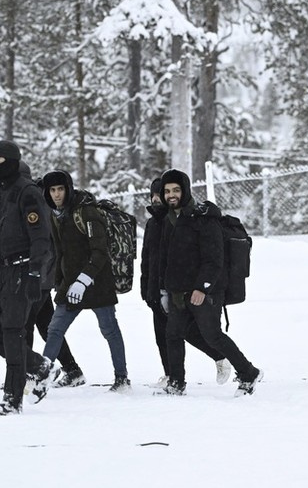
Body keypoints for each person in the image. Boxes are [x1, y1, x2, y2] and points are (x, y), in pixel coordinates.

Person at [0, 168, 86, 389]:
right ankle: (71, 370)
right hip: (39, 276)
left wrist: (40, 275)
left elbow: (44, 243)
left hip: (36, 275)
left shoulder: (32, 198)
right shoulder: (16, 198)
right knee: (45, 325)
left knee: (22, 325)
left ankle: (27, 373)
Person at [156, 169, 262, 397]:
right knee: (173, 335)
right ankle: (176, 383)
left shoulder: (203, 218)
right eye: (167, 191)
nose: (171, 195)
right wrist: (164, 290)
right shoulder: (169, 219)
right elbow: (165, 259)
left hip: (205, 291)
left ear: (185, 191)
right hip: (177, 291)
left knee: (212, 335)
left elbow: (214, 260)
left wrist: (202, 287)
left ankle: (249, 373)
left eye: (176, 190)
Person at [0, 140, 54, 414]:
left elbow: (41, 238)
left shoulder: (27, 192)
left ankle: (12, 399)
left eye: (0, 162)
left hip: (22, 269)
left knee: (12, 332)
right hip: (1, 271)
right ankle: (39, 367)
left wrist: (35, 273)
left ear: (12, 161)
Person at [40, 170, 130, 391]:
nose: (56, 194)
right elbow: (60, 252)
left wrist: (83, 280)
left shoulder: (87, 212)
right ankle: (41, 379)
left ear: (69, 189)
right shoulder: (56, 215)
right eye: (52, 190)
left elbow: (100, 252)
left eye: (60, 189)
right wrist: (59, 282)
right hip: (70, 284)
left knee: (109, 330)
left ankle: (122, 379)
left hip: (97, 282)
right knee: (55, 329)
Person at [139, 178, 231, 388]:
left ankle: (218, 358)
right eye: (153, 195)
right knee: (162, 337)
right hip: (155, 290)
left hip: (174, 288)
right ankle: (170, 375)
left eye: (159, 194)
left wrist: (168, 289)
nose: (156, 199)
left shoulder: (175, 221)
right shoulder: (152, 223)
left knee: (187, 332)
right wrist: (146, 288)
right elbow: (147, 259)